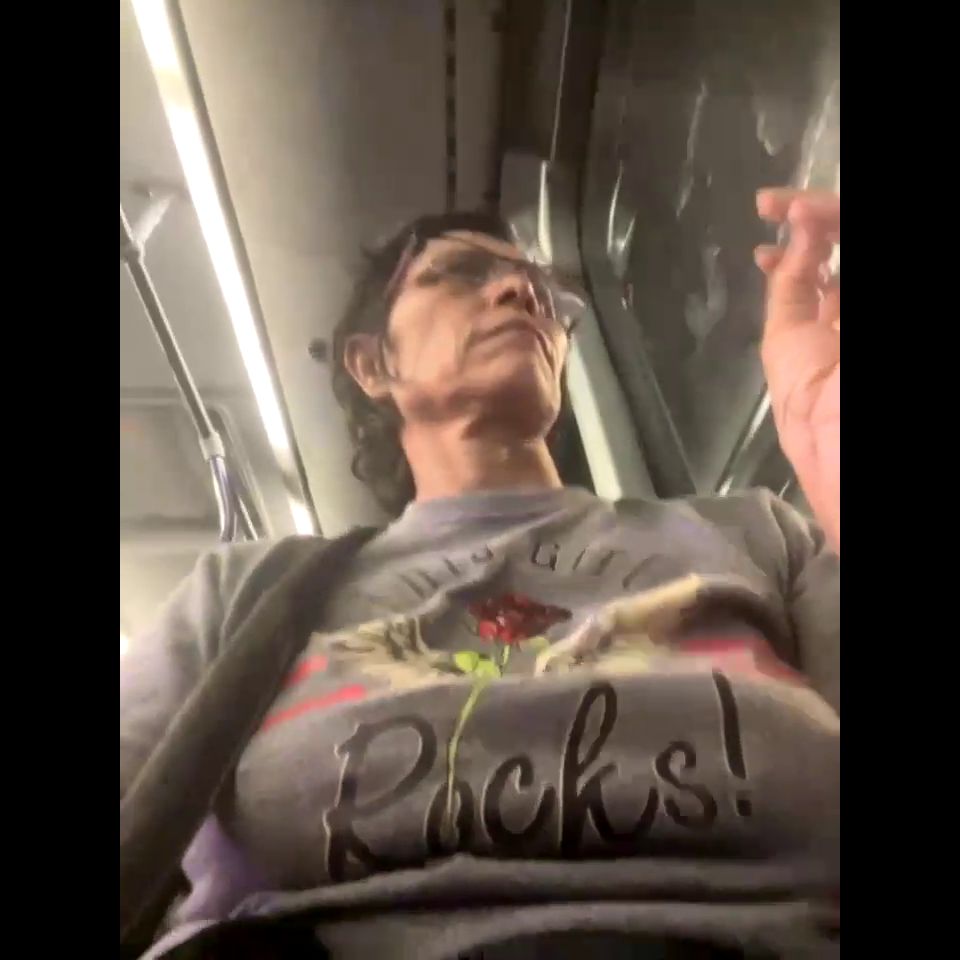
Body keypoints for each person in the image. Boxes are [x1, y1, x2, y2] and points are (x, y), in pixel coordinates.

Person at [121, 189, 839, 959]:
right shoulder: (249, 592)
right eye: (461, 272)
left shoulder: (753, 535)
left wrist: (823, 425)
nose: (521, 291)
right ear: (373, 363)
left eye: (544, 291)